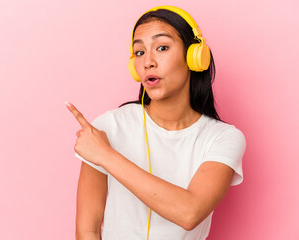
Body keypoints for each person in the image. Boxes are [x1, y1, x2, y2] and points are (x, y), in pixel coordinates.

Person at [66, 5, 246, 240]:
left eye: (162, 48)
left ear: (194, 57)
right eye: (139, 52)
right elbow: (87, 229)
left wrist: (106, 155)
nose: (148, 61)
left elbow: (189, 213)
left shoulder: (224, 138)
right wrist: (101, 150)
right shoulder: (108, 127)